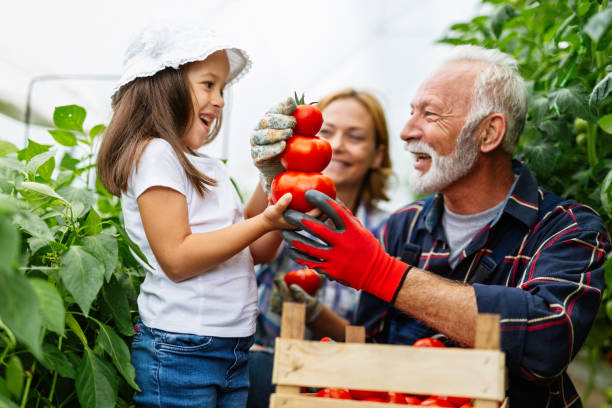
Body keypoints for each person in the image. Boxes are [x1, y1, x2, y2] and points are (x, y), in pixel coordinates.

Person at [281, 45, 611, 407]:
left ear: (488, 133)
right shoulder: (403, 228)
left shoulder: (567, 228)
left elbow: (547, 341)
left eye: (430, 114)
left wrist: (382, 273)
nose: (406, 131)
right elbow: (371, 358)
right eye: (411, 113)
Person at [96, 24, 296, 407]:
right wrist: (266, 221)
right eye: (208, 84)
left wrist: (270, 175)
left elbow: (256, 249)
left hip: (229, 346)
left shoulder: (205, 165)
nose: (219, 100)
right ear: (162, 85)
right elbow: (178, 258)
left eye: (222, 89)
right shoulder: (155, 154)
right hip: (182, 349)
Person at [247, 89, 393, 408]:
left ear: (378, 154)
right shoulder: (283, 201)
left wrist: (317, 316)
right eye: (327, 132)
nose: (338, 145)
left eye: (355, 137)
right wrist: (271, 178)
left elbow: (381, 344)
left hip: (342, 387)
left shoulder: (388, 231)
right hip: (264, 377)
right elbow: (251, 248)